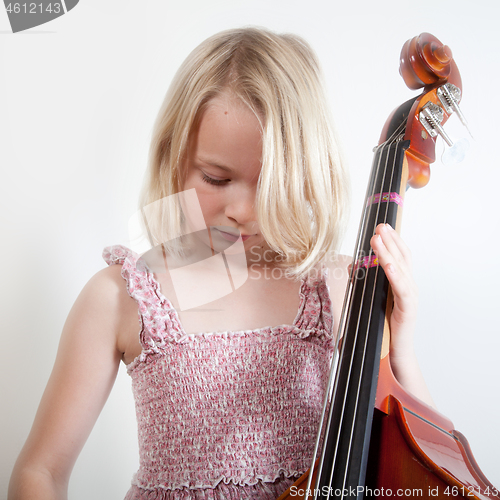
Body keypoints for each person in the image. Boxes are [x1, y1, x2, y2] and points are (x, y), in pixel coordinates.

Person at [9, 27, 435, 500]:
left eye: (271, 182)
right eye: (216, 177)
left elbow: (417, 459)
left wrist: (402, 343)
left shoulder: (333, 284)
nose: (244, 211)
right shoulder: (121, 295)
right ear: (174, 157)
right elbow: (41, 471)